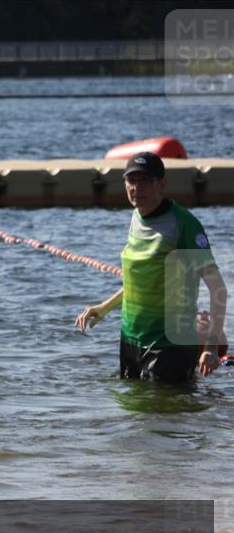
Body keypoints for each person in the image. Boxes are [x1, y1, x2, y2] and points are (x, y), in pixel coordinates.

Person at [75, 152, 227, 382]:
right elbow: (141, 282)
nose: (137, 188)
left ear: (162, 184)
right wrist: (105, 307)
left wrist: (211, 348)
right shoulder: (136, 217)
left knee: (165, 414)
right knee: (132, 413)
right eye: (131, 181)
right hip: (131, 340)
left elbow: (219, 289)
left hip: (169, 345)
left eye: (145, 181)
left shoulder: (184, 225)